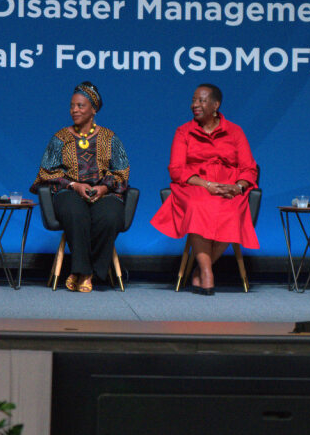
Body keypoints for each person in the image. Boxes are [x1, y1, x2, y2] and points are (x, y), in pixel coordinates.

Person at [151, 84, 258, 295]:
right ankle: (208, 272)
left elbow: (249, 168)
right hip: (194, 185)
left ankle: (200, 270)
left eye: (201, 100)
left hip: (228, 187)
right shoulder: (183, 132)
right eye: (194, 100)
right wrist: (206, 184)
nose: (195, 105)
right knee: (198, 206)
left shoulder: (235, 132)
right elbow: (176, 169)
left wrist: (237, 187)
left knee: (232, 211)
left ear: (215, 105)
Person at [30, 81, 130, 293]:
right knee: (75, 212)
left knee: (110, 216)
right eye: (72, 106)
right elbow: (45, 172)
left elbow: (122, 172)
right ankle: (83, 271)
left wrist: (104, 188)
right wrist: (74, 185)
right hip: (69, 191)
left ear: (93, 109)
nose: (74, 110)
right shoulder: (60, 138)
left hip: (104, 192)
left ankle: (87, 271)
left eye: (80, 106)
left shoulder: (110, 138)